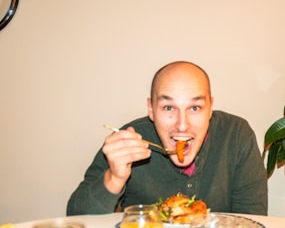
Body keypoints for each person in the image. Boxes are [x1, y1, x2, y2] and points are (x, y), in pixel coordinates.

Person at [67, 61, 268, 216]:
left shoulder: (236, 134)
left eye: (195, 108)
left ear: (210, 108)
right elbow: (76, 219)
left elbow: (252, 223)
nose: (182, 125)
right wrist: (114, 178)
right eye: (168, 108)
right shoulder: (129, 140)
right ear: (151, 109)